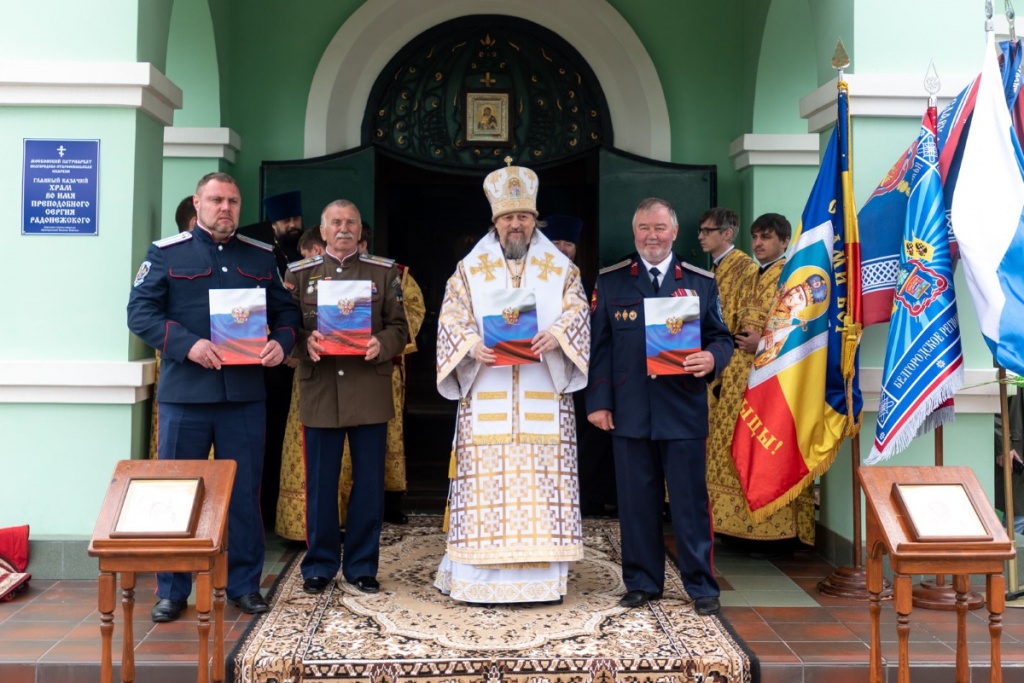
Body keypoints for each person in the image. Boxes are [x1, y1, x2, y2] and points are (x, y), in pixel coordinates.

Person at [127, 172, 300, 622]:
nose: (226, 208)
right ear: (198, 204)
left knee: (244, 493)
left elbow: (286, 311)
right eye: (217, 200)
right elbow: (139, 312)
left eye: (233, 201)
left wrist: (281, 343)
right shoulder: (167, 254)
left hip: (243, 395)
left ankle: (244, 585)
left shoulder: (260, 257)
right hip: (186, 393)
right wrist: (188, 345)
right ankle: (172, 589)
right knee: (176, 491)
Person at [434, 161, 590, 605]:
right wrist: (469, 345)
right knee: (486, 488)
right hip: (487, 393)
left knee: (540, 488)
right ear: (495, 222)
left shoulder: (560, 269)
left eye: (523, 217)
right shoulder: (469, 268)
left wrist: (557, 335)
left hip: (543, 388)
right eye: (508, 218)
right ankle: (477, 581)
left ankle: (543, 581)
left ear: (533, 220)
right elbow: (451, 314)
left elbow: (578, 311)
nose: (515, 225)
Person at [587, 197, 733, 615]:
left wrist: (713, 359)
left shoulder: (700, 281)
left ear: (675, 232)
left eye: (660, 228)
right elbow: (599, 347)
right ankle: (642, 581)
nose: (652, 236)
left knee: (689, 503)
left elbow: (721, 337)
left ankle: (701, 587)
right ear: (634, 233)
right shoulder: (611, 281)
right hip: (629, 409)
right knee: (635, 502)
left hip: (683, 409)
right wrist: (599, 401)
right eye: (644, 229)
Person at [289, 200, 408, 595]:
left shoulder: (384, 272)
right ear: (322, 232)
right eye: (336, 223)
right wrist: (307, 343)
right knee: (320, 484)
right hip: (321, 389)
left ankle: (361, 566)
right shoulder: (299, 275)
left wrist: (382, 342)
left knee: (369, 484)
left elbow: (400, 328)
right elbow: (285, 330)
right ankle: (319, 565)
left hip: (368, 390)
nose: (344, 229)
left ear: (361, 231)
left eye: (351, 223)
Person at [705, 213, 813, 555]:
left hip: (772, 379)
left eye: (766, 238)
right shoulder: (753, 274)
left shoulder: (791, 277)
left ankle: (775, 534)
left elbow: (801, 329)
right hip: (739, 374)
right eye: (755, 238)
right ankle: (736, 528)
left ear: (783, 242)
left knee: (766, 448)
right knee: (735, 448)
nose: (758, 244)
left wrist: (763, 344)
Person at [336, 224, 426, 526]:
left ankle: (389, 501)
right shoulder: (327, 276)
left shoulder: (394, 274)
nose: (354, 249)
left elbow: (412, 312)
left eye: (359, 243)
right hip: (340, 367)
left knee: (386, 437)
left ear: (366, 244)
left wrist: (381, 338)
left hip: (383, 367)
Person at [241, 190, 305, 531]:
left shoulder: (310, 251)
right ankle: (265, 511)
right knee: (269, 435)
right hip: (271, 363)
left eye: (296, 219)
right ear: (273, 224)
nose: (292, 225)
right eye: (285, 221)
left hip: (304, 360)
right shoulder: (265, 257)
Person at [543, 215, 615, 516]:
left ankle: (586, 495)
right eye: (556, 242)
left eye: (568, 243)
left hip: (586, 368)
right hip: (546, 370)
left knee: (592, 433)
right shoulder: (535, 279)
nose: (562, 249)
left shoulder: (586, 282)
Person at [996, 388, 1024, 535]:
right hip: (1018, 454)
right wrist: (1005, 446)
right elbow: (994, 408)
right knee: (1018, 520)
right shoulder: (1015, 367)